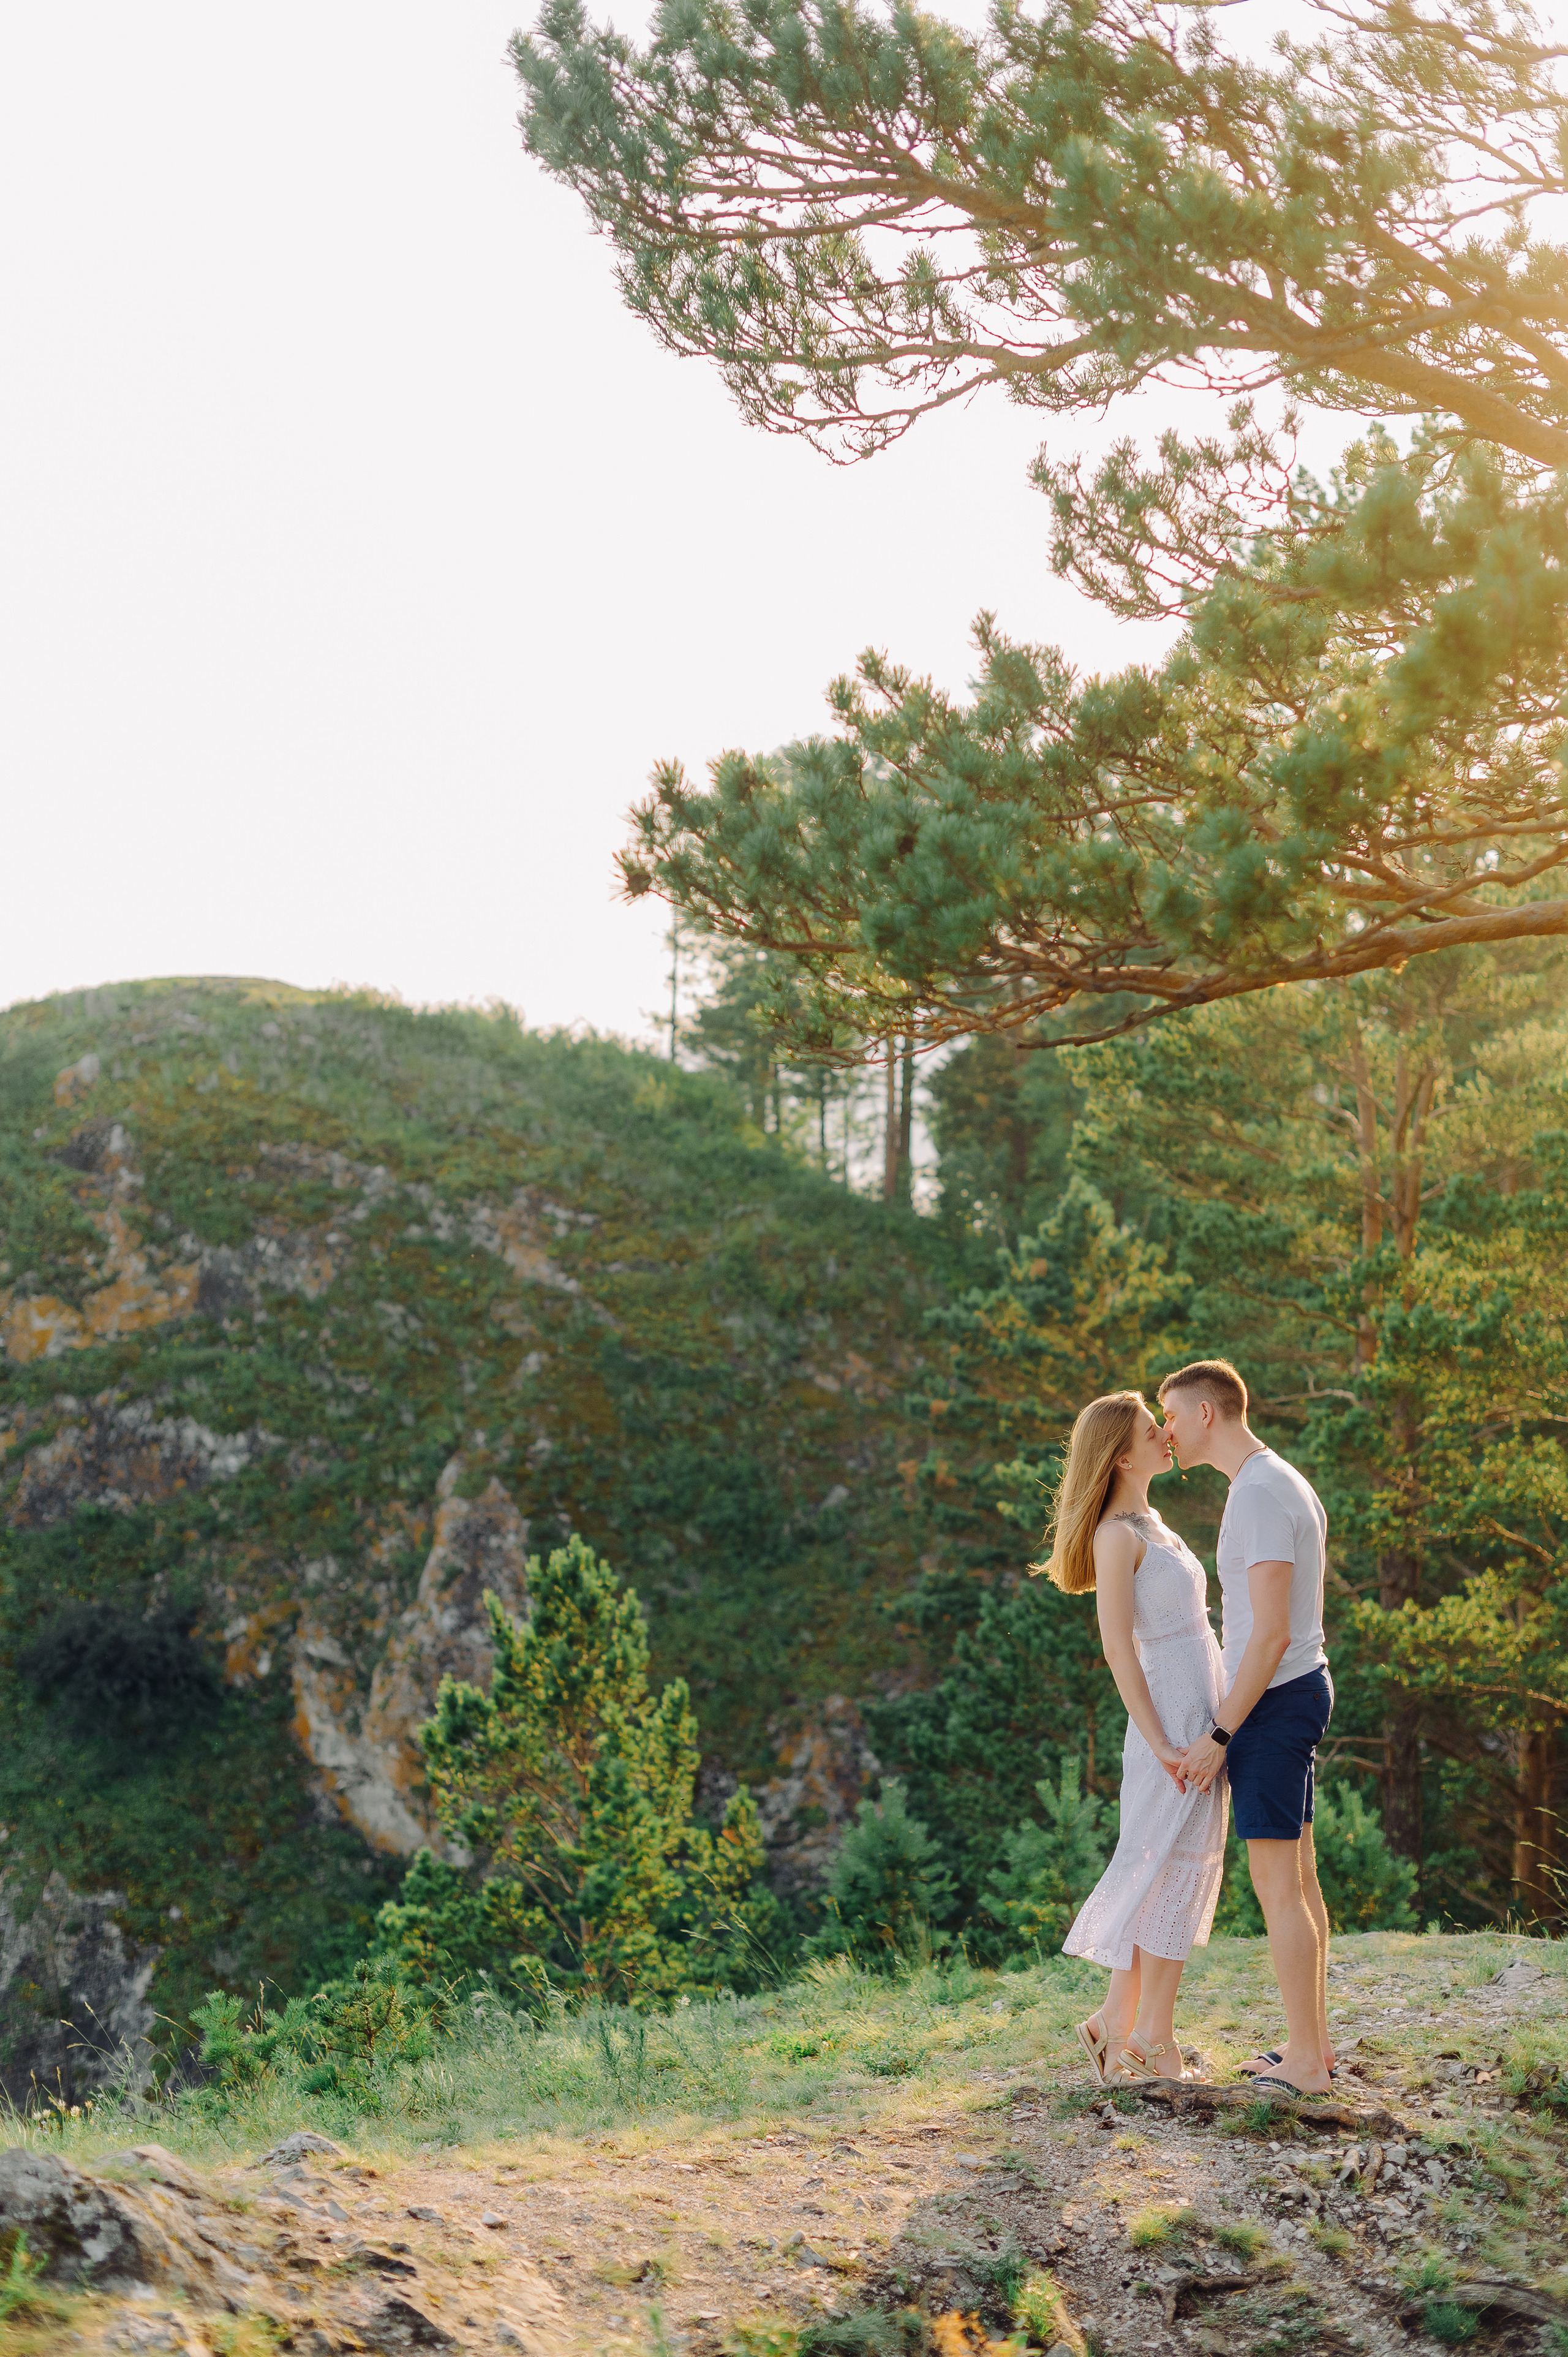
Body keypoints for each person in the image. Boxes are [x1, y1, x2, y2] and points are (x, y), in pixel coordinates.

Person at [1038, 1390, 1230, 2086]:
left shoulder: (1153, 1522)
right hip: (1169, 1731)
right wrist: (1161, 1743)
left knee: (1170, 1875)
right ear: (1122, 1454)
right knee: (1169, 1875)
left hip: (1198, 1722)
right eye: (1155, 1429)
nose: (1168, 1434)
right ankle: (1153, 2041)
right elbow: (1119, 1649)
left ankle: (1115, 2025)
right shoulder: (1116, 1536)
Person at [1158, 1358, 1335, 2097]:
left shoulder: (1260, 1493)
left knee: (1277, 1886)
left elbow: (1263, 1637)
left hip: (1273, 1703)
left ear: (1206, 1412)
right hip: (1289, 1695)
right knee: (1298, 1878)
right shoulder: (1270, 1481)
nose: (1164, 1431)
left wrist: (1221, 1733)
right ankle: (1311, 2050)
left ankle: (1305, 2065)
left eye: (1169, 1414)